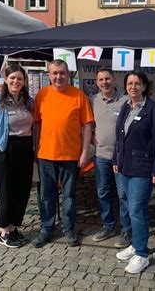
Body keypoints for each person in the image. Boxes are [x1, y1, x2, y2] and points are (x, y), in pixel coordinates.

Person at [33, 59, 93, 248]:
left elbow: (87, 126)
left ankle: (68, 228)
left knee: (69, 196)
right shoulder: (42, 95)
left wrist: (84, 153)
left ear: (68, 75)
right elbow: (36, 125)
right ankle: (46, 228)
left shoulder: (79, 96)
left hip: (70, 156)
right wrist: (35, 150)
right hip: (46, 155)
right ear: (49, 75)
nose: (58, 77)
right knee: (47, 195)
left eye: (62, 73)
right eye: (54, 73)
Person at [113, 71, 155, 274]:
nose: (133, 87)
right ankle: (135, 245)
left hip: (142, 169)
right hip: (124, 166)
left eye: (137, 83)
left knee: (137, 210)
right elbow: (119, 137)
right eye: (129, 83)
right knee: (128, 205)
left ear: (144, 86)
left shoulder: (152, 109)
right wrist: (115, 160)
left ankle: (142, 254)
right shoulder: (126, 106)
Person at [0, 64, 34, 248]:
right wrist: (1, 147)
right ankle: (4, 231)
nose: (16, 81)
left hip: (26, 148)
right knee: (6, 191)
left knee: (22, 189)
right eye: (12, 78)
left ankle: (14, 227)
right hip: (6, 149)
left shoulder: (29, 102)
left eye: (19, 78)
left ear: (24, 81)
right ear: (6, 79)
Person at [90, 68, 131, 247]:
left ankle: (127, 230)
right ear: (97, 82)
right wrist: (91, 135)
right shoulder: (93, 100)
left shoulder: (125, 100)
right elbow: (89, 125)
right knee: (102, 192)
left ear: (114, 80)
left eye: (107, 79)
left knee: (123, 194)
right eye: (101, 80)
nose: (104, 82)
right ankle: (108, 225)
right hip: (100, 155)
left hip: (121, 157)